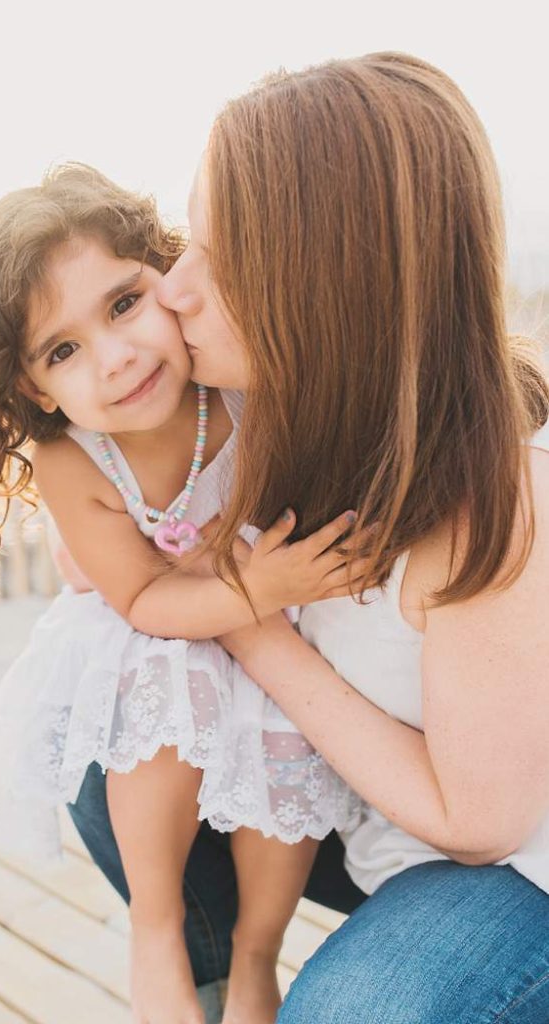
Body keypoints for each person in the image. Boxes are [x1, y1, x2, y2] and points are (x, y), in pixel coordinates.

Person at [68, 53, 549, 1023]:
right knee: (116, 770)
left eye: (220, 258)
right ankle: (219, 983)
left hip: (517, 859)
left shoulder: (505, 494)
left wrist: (256, 631)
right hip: (387, 824)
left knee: (352, 1013)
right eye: (184, 246)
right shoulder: (282, 413)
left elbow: (480, 822)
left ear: (327, 284)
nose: (174, 290)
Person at [0, 163, 371, 1024]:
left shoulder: (240, 388)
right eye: (64, 350)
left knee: (280, 768)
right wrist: (254, 582)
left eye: (124, 304)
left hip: (275, 650)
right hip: (156, 643)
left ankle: (256, 961)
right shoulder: (74, 459)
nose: (115, 359)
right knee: (158, 709)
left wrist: (267, 589)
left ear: (170, 277)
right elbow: (145, 603)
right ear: (36, 389)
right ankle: (161, 936)